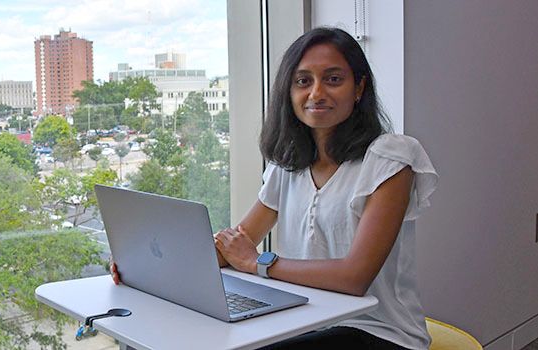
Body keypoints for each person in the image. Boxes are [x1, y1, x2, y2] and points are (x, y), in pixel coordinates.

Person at [111, 27, 437, 349]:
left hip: (377, 332)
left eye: (333, 79)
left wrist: (257, 263)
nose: (316, 93)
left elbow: (354, 278)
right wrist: (148, 265)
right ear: (289, 92)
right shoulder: (288, 165)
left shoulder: (390, 159)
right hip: (305, 321)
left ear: (359, 87)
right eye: (303, 81)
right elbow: (236, 247)